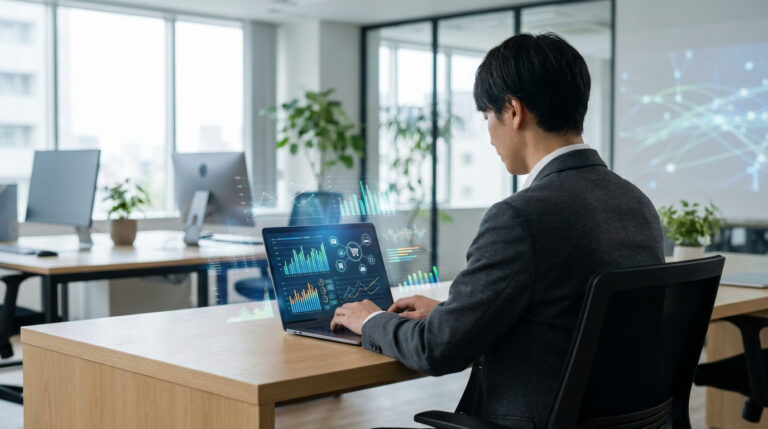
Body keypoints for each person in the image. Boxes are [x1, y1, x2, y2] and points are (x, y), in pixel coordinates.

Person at [330, 32, 664, 428]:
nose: (488, 133)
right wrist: (454, 316)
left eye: (487, 116)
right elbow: (566, 318)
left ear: (514, 111)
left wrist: (371, 321)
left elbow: (437, 351)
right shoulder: (637, 204)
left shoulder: (520, 218)